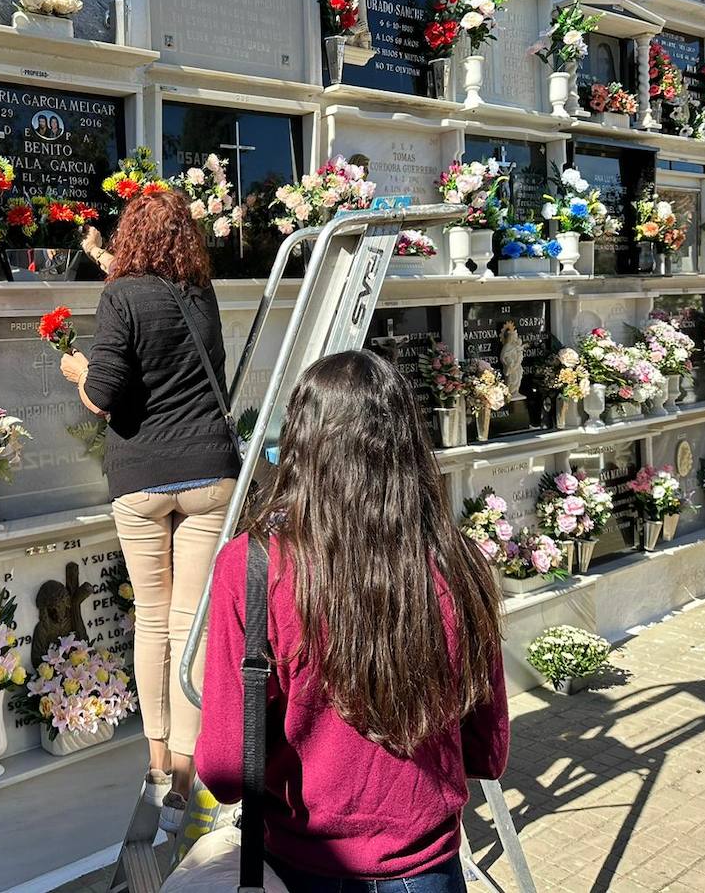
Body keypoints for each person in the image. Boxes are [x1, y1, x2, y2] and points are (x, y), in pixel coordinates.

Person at [195, 350, 509, 893]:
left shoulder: (253, 567)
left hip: (299, 859)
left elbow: (224, 768)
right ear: (408, 444)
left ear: (299, 445)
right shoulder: (458, 561)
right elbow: (488, 750)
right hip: (425, 860)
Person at [60, 188, 241, 831]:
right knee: (194, 623)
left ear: (129, 236)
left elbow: (106, 394)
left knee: (155, 621)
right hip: (209, 475)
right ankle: (191, 770)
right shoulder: (199, 292)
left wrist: (77, 368)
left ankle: (160, 759)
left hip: (142, 478)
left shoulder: (122, 296)